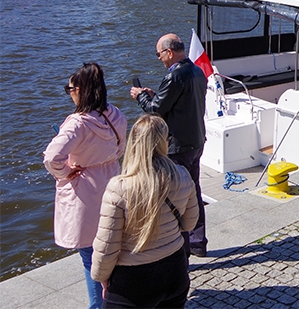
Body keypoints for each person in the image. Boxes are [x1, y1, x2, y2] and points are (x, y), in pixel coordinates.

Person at [91, 114, 199, 308]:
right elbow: (190, 223)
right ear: (164, 142)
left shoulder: (119, 187)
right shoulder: (182, 175)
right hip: (175, 270)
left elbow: (107, 244)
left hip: (132, 281)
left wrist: (101, 277)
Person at [43, 63, 127, 309]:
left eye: (69, 88)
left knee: (91, 259)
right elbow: (119, 148)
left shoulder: (77, 123)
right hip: (112, 182)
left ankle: (98, 306)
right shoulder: (115, 115)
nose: (69, 93)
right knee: (113, 250)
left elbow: (51, 157)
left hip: (85, 192)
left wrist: (67, 171)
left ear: (79, 90)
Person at [130, 33, 208, 256]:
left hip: (178, 147)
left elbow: (155, 111)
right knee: (194, 192)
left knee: (176, 197)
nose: (158, 59)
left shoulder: (174, 77)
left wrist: (140, 97)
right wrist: (155, 95)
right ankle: (198, 243)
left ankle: (180, 248)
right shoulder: (197, 71)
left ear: (169, 52)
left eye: (159, 54)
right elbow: (179, 102)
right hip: (196, 141)